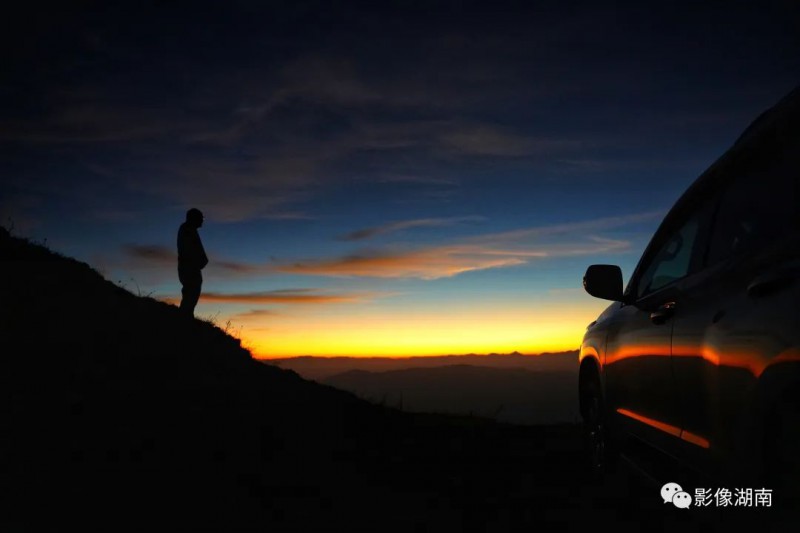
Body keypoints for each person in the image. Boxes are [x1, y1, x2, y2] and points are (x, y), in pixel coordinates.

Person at [177, 208, 208, 316]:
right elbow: (188, 250)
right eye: (201, 218)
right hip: (189, 268)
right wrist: (197, 262)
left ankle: (186, 317)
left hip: (191, 268)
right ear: (194, 218)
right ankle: (184, 319)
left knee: (192, 294)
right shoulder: (187, 229)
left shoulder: (190, 230)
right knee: (190, 294)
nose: (202, 220)